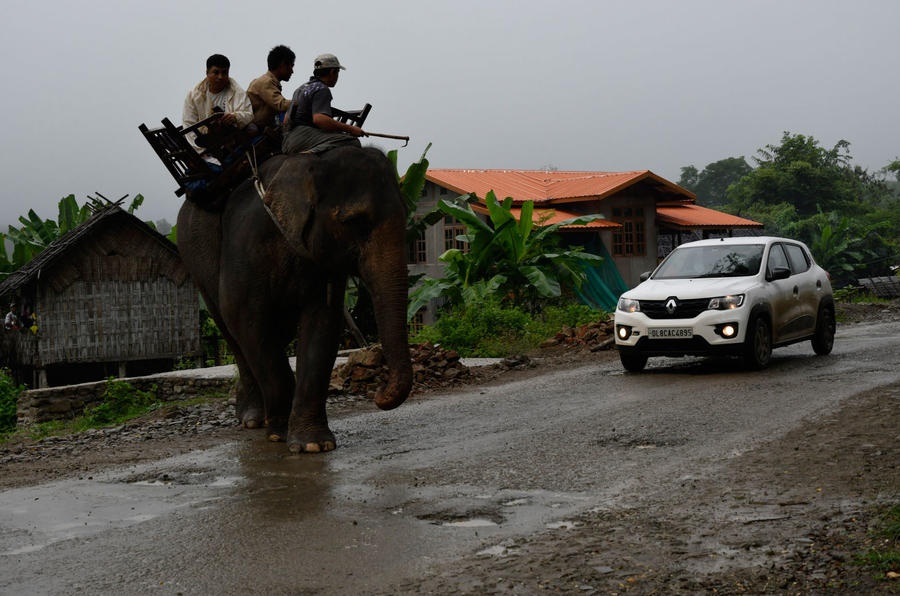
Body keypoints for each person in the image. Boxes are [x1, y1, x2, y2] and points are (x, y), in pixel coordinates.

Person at [282, 53, 366, 155]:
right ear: (332, 71)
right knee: (352, 141)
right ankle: (310, 154)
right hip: (303, 138)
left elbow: (286, 120)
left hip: (287, 141)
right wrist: (351, 129)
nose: (337, 76)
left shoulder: (300, 89)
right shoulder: (321, 89)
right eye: (337, 72)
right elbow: (319, 119)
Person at [182, 54, 254, 164]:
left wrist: (235, 117)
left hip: (231, 140)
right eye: (216, 72)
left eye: (224, 73)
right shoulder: (193, 96)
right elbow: (189, 126)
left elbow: (248, 114)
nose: (220, 77)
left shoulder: (236, 91)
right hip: (204, 145)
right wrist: (203, 153)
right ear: (207, 73)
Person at [247, 45, 295, 130]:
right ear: (282, 64)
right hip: (252, 130)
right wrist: (302, 102)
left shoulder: (269, 82)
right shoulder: (265, 82)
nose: (292, 71)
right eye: (291, 66)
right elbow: (281, 105)